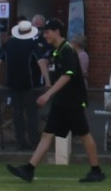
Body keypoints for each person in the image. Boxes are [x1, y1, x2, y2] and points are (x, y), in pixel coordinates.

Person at [6, 19, 104, 182]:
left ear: (57, 32)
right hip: (61, 101)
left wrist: (48, 93)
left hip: (72, 100)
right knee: (47, 134)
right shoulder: (56, 50)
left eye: (47, 32)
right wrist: (44, 68)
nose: (45, 35)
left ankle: (96, 170)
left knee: (84, 134)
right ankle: (29, 169)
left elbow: (68, 75)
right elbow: (43, 60)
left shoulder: (67, 50)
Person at [0, 20, 48, 148]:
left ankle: (21, 141)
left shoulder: (8, 44)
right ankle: (34, 141)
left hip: (13, 84)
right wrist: (47, 81)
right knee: (32, 113)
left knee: (18, 113)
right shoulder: (33, 45)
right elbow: (41, 62)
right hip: (30, 85)